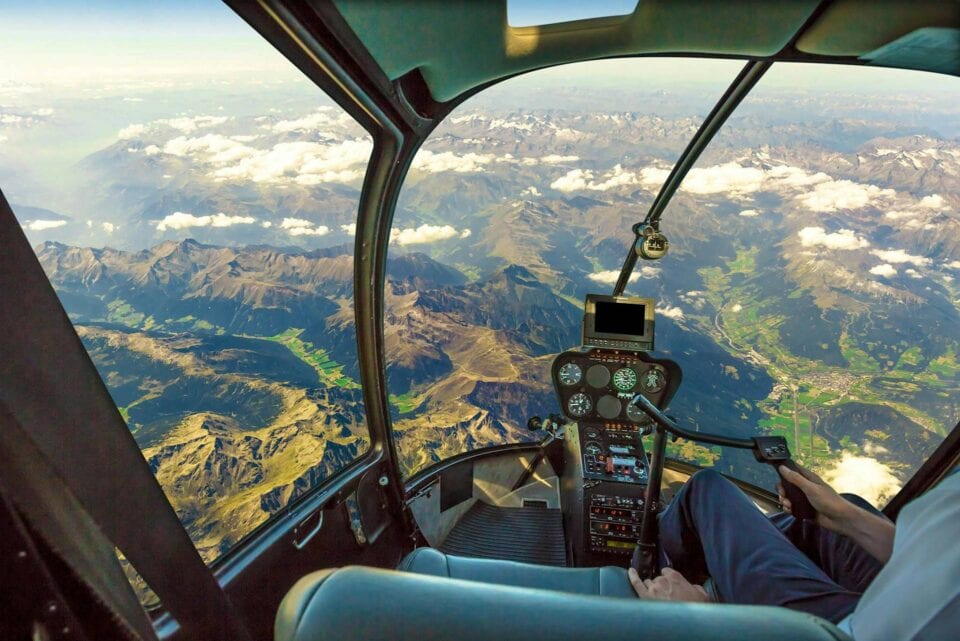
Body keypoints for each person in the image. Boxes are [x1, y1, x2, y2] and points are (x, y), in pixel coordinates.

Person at [627, 463, 960, 640]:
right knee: (831, 516)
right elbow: (940, 556)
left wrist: (702, 622)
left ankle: (657, 570)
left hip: (845, 630)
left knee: (707, 490)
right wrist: (845, 517)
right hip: (907, 598)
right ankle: (732, 571)